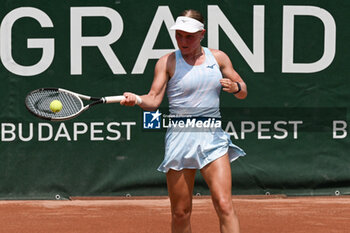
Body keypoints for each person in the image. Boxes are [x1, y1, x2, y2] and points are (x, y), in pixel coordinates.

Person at [121, 9, 247, 233]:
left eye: (189, 36)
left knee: (224, 204)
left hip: (212, 137)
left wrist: (235, 87)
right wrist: (138, 99)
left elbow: (243, 90)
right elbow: (153, 100)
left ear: (202, 34)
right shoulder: (167, 62)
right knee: (181, 212)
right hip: (180, 138)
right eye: (179, 35)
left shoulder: (218, 58)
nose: (183, 41)